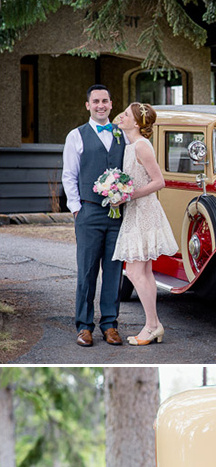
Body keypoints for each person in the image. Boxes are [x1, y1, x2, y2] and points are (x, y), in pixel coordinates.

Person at [62, 84, 126, 347]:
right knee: (87, 271)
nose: (101, 105)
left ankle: (110, 325)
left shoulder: (123, 135)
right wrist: (77, 209)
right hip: (88, 211)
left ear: (111, 104)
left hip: (118, 214)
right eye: (96, 101)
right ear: (88, 105)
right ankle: (84, 326)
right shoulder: (76, 136)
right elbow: (70, 175)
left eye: (105, 101)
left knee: (114, 272)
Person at [111, 102, 178, 345]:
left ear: (137, 123)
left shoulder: (141, 145)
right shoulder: (130, 145)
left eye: (126, 114)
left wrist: (128, 195)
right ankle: (153, 325)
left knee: (136, 271)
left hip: (144, 211)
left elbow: (159, 181)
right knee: (145, 271)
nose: (122, 116)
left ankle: (152, 325)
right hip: (136, 210)